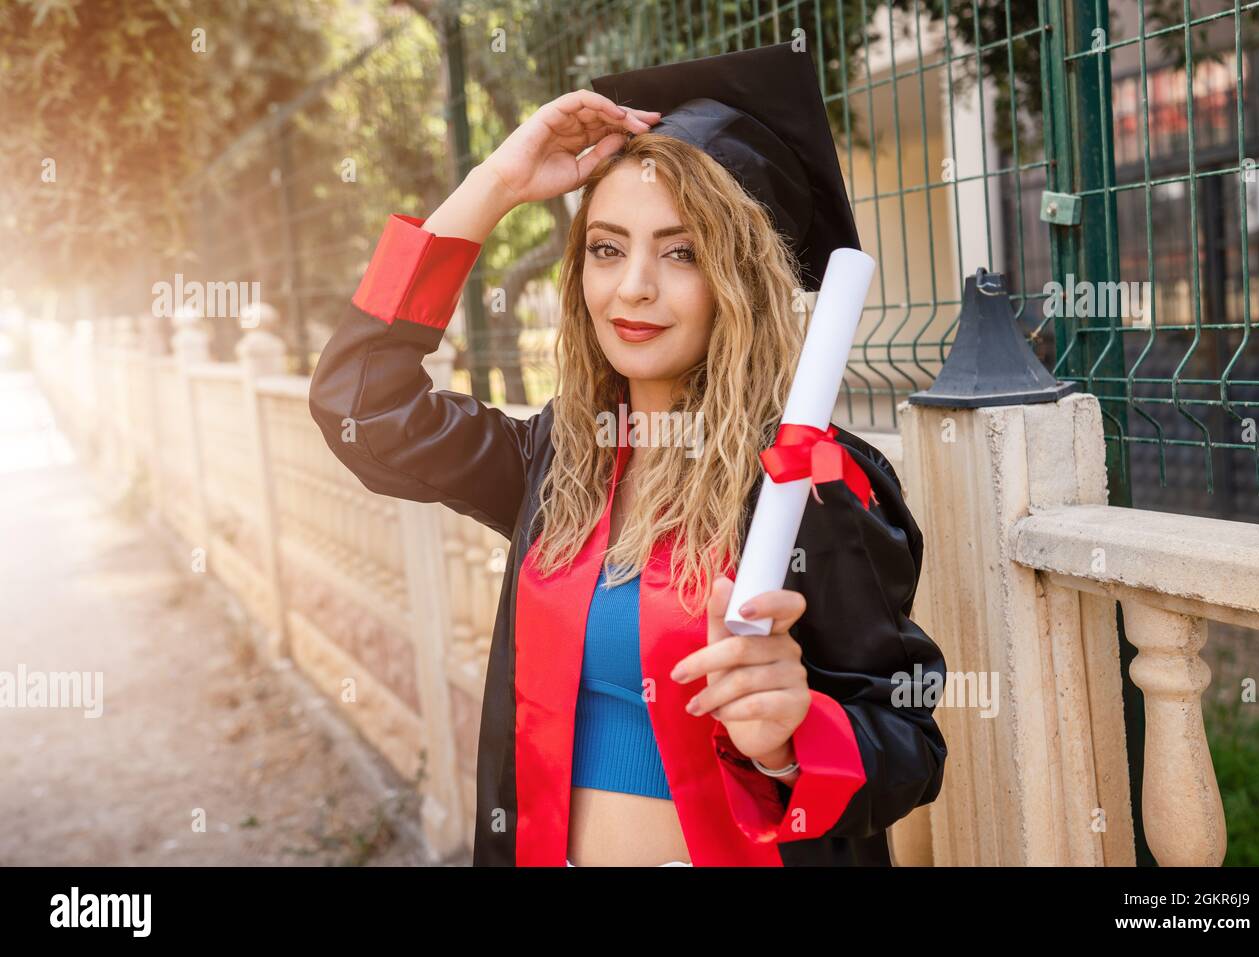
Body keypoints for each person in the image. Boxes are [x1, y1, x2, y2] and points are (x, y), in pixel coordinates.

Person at [308, 41, 947, 867]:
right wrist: (495, 183)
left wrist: (791, 738)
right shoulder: (558, 461)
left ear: (744, 280)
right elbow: (363, 405)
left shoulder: (812, 481)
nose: (633, 285)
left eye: (683, 252)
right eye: (607, 248)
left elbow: (908, 739)